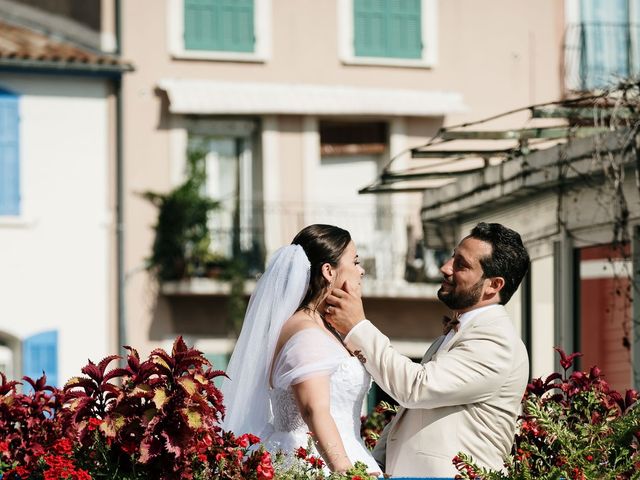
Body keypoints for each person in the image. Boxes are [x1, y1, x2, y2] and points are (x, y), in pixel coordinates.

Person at [325, 222, 530, 478]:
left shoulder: (496, 341)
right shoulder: (460, 331)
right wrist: (374, 466)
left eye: (461, 265)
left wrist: (358, 327)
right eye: (452, 257)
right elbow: (412, 414)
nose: (445, 268)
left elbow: (416, 389)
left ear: (494, 285)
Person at [220, 224, 379, 475]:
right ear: (328, 271)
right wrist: (346, 472)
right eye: (355, 261)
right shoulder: (306, 334)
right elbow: (313, 408)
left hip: (344, 451)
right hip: (316, 463)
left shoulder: (323, 326)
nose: (362, 270)